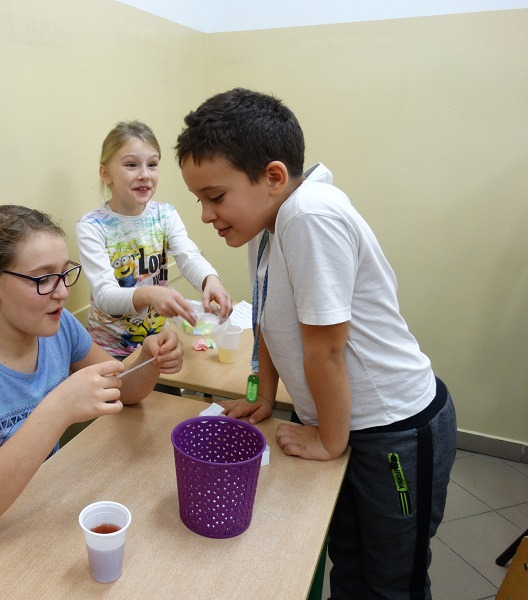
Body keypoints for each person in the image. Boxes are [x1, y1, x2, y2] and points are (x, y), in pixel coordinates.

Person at [175, 88, 456, 600]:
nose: (206, 215)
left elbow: (326, 349)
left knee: (393, 578)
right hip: (342, 423)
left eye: (215, 197)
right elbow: (265, 316)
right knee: (349, 559)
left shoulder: (309, 216)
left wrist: (329, 440)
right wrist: (264, 395)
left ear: (273, 177)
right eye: (200, 200)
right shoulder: (266, 223)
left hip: (393, 427)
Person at [0, 205, 183, 597]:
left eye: (64, 273)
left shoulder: (58, 327)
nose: (63, 291)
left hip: (27, 508)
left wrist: (148, 358)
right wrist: (56, 411)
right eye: (43, 279)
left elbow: (124, 390)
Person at [76, 120, 232, 360]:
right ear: (105, 173)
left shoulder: (164, 214)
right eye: (131, 165)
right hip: (110, 352)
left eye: (152, 164)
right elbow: (105, 296)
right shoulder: (92, 227)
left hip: (158, 343)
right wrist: (149, 294)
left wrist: (210, 280)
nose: (144, 175)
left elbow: (188, 256)